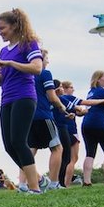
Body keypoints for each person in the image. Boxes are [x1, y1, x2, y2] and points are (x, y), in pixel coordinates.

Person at [0, 8, 45, 193]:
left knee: (19, 141)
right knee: (9, 145)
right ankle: (38, 178)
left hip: (24, 97)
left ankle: (34, 188)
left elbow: (37, 68)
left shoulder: (28, 44)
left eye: (2, 28)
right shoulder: (3, 51)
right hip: (6, 99)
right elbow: (1, 81)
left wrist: (10, 63)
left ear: (15, 26)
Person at [28, 50, 68, 190]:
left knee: (29, 152)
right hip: (44, 115)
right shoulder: (45, 73)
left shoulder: (26, 74)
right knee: (57, 148)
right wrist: (62, 107)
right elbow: (52, 97)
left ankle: (27, 183)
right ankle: (53, 183)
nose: (48, 61)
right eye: (46, 58)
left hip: (29, 117)